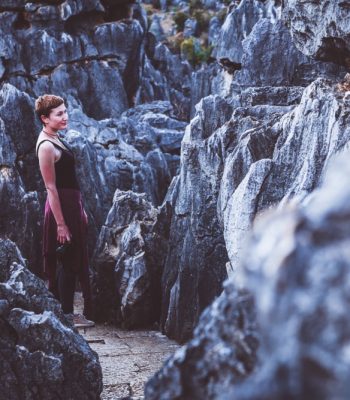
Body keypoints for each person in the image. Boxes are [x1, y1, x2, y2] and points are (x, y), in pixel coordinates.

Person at [35, 94, 94, 327]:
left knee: (73, 256)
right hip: (61, 208)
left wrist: (80, 210)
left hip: (71, 205)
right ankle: (67, 315)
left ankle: (66, 312)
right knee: (68, 258)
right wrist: (61, 223)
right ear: (44, 118)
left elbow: (69, 179)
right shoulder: (46, 146)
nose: (65, 116)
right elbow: (50, 187)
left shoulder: (56, 137)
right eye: (59, 114)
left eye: (65, 111)